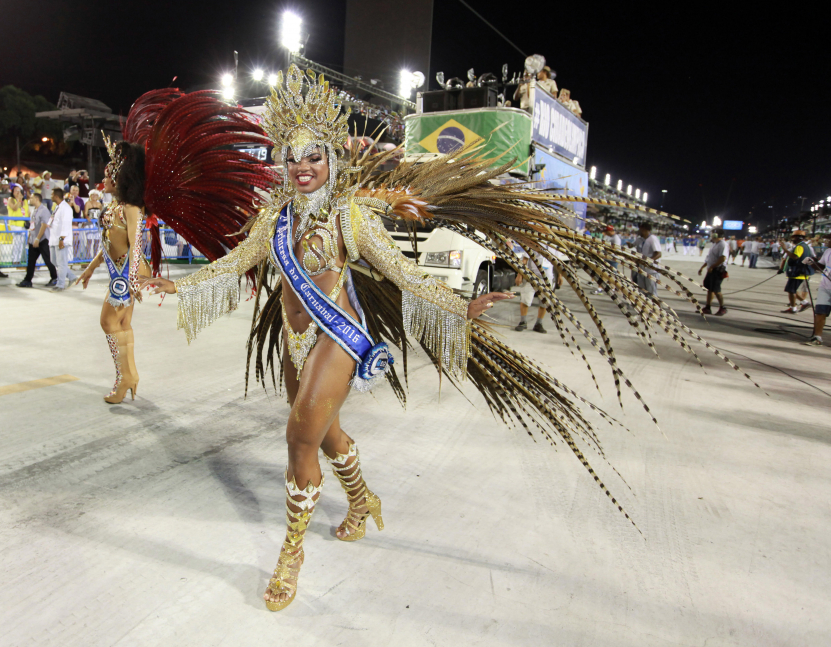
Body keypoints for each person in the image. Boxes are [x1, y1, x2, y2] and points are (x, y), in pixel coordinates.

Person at [135, 69, 749, 612]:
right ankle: (363, 498)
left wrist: (458, 305)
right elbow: (238, 258)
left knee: (298, 435)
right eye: (291, 155)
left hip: (337, 337)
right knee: (325, 435)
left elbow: (403, 274)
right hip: (297, 342)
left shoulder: (353, 217)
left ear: (331, 159)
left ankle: (290, 554)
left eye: (313, 156)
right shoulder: (275, 216)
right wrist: (176, 285)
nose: (301, 166)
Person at [73, 142, 151, 402]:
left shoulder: (131, 208)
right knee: (122, 323)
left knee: (107, 322)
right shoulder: (116, 206)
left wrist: (131, 280)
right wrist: (90, 268)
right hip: (120, 272)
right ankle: (131, 376)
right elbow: (107, 243)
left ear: (120, 178)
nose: (103, 180)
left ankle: (124, 377)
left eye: (108, 175)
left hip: (128, 273)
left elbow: (136, 244)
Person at [16, 192, 57, 288]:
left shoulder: (44, 211)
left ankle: (55, 277)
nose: (30, 199)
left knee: (48, 260)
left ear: (37, 199)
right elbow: (33, 225)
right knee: (31, 261)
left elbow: (44, 225)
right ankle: (27, 280)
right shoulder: (35, 210)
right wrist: (30, 237)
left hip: (42, 239)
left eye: (31, 198)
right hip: (34, 239)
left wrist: (38, 238)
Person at [513, 245, 552, 332]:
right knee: (525, 300)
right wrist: (520, 275)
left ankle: (539, 323)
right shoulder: (534, 243)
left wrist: (559, 276)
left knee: (544, 302)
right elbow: (524, 260)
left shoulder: (553, 246)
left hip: (547, 278)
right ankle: (523, 322)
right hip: (531, 276)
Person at [801, 233, 831, 346]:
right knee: (820, 312)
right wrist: (812, 262)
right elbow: (821, 266)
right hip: (825, 287)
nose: (826, 241)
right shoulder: (828, 251)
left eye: (829, 239)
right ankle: (817, 337)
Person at [47, 188, 77, 291]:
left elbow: (65, 224)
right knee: (54, 261)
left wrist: (61, 239)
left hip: (61, 239)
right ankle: (72, 277)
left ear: (56, 196)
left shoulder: (66, 208)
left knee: (61, 263)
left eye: (52, 195)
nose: (50, 197)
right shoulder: (57, 207)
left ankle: (60, 284)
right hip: (54, 238)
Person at [779, 229, 815, 313]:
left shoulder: (800, 246)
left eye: (794, 237)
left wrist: (785, 249)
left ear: (798, 238)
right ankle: (801, 303)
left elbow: (795, 257)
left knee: (791, 290)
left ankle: (797, 306)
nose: (792, 239)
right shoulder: (805, 246)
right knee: (791, 290)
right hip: (800, 271)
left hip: (797, 272)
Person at [698, 230, 728, 316]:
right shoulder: (714, 244)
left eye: (712, 234)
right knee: (709, 289)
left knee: (716, 290)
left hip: (717, 270)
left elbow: (722, 258)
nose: (711, 235)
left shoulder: (723, 244)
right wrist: (703, 267)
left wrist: (712, 266)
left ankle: (723, 308)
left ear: (716, 235)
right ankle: (708, 307)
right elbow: (709, 259)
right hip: (711, 269)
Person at [632, 222, 661, 297]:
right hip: (642, 269)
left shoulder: (653, 239)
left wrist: (648, 261)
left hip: (651, 270)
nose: (639, 231)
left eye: (640, 230)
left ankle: (656, 307)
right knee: (642, 291)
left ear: (644, 230)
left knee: (652, 293)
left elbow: (658, 254)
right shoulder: (642, 240)